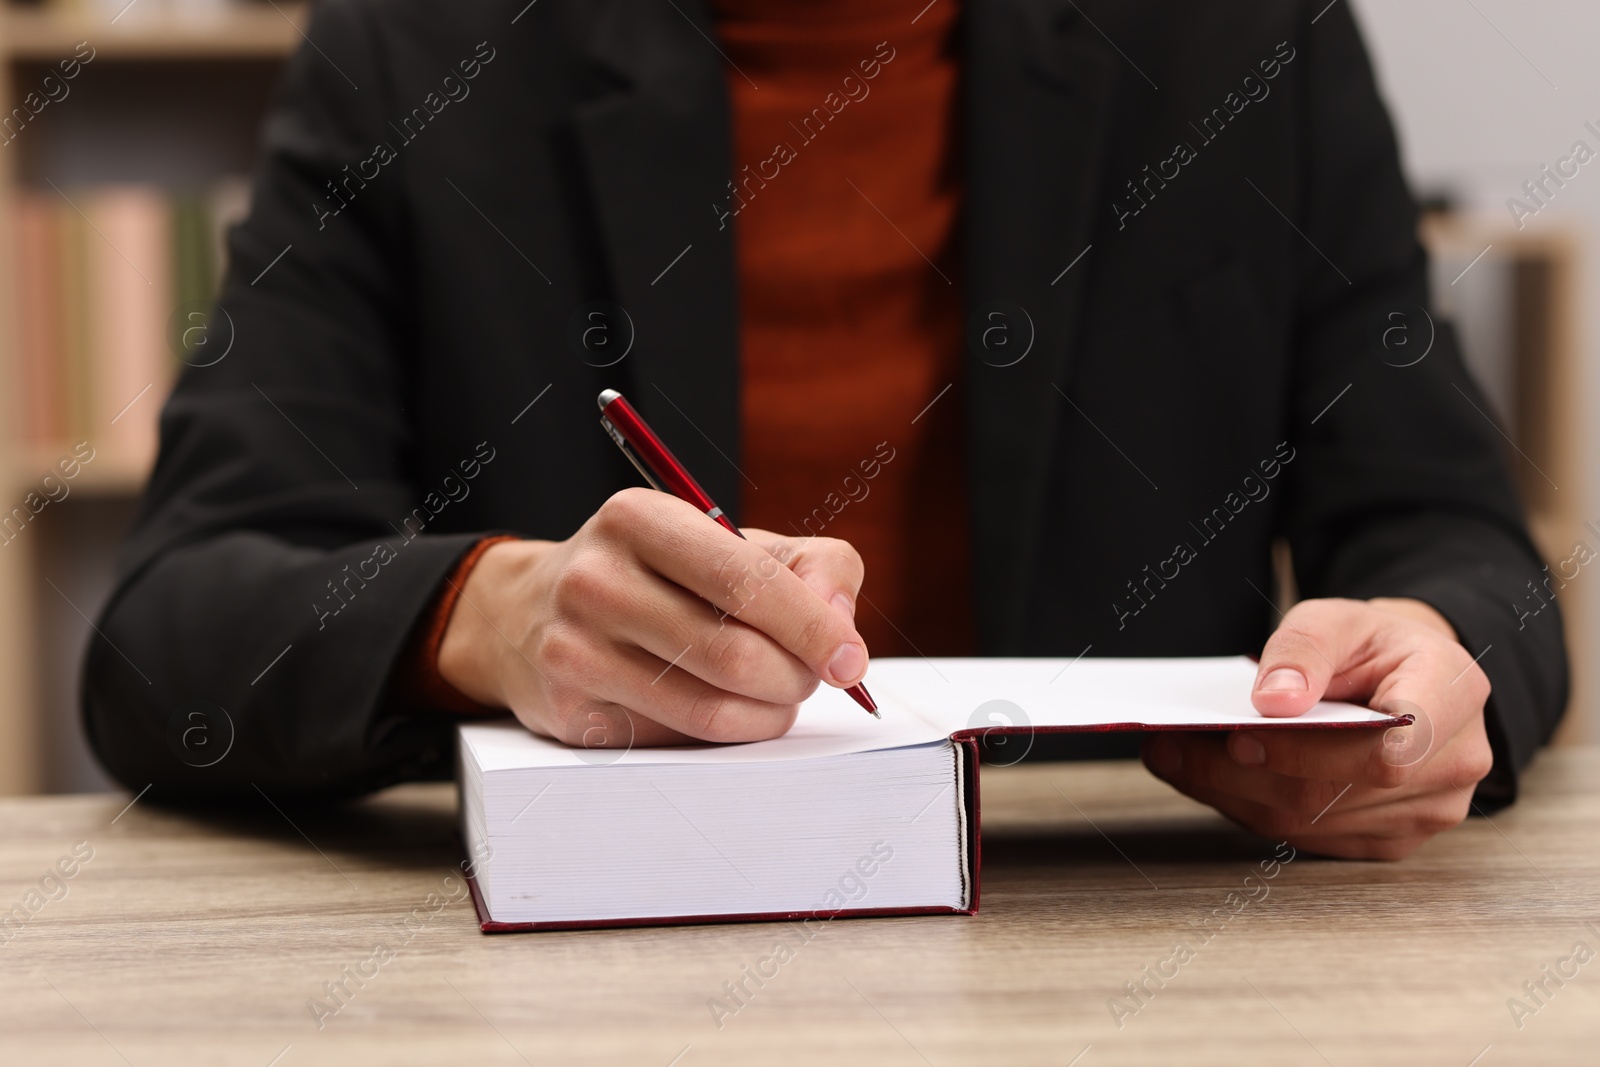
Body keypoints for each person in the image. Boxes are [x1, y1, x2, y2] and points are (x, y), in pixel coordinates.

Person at [84, 0, 1567, 861]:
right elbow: (169, 629)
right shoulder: (419, 48)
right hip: (593, 974)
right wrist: (486, 615)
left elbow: (1456, 536)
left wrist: (1439, 665)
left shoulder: (1243, 40)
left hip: (1121, 946)